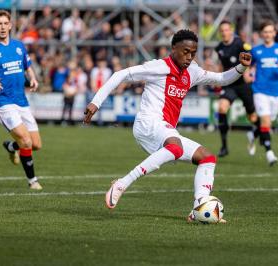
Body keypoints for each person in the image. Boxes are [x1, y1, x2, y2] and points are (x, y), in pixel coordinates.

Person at [83, 29, 252, 222]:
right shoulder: (158, 67)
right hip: (148, 123)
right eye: (185, 51)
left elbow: (221, 79)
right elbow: (120, 75)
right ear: (174, 48)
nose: (189, 57)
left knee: (207, 157)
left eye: (193, 53)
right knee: (175, 146)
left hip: (165, 129)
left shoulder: (193, 71)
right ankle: (122, 183)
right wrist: (96, 102)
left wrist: (241, 67)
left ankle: (199, 206)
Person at [0, 10, 42, 189]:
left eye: (4, 24)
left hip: (22, 100)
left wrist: (33, 78)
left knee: (36, 144)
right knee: (25, 140)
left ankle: (11, 147)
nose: (1, 27)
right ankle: (33, 181)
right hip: (3, 102)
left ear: (10, 25)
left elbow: (27, 66)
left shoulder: (19, 46)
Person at [245, 19, 278, 166]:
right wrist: (247, 74)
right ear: (261, 34)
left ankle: (253, 134)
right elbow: (247, 64)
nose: (267, 34)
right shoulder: (256, 50)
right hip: (260, 90)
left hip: (276, 92)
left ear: (274, 33)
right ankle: (269, 153)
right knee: (265, 121)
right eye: (265, 32)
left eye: (270, 31)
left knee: (266, 124)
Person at [215, 20, 257, 157]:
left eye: (226, 30)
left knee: (253, 116)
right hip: (229, 84)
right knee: (222, 108)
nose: (224, 33)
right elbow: (222, 65)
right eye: (222, 30)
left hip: (243, 85)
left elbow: (249, 59)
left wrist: (248, 72)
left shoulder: (240, 43)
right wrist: (217, 78)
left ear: (231, 31)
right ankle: (224, 146)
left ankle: (253, 136)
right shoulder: (219, 47)